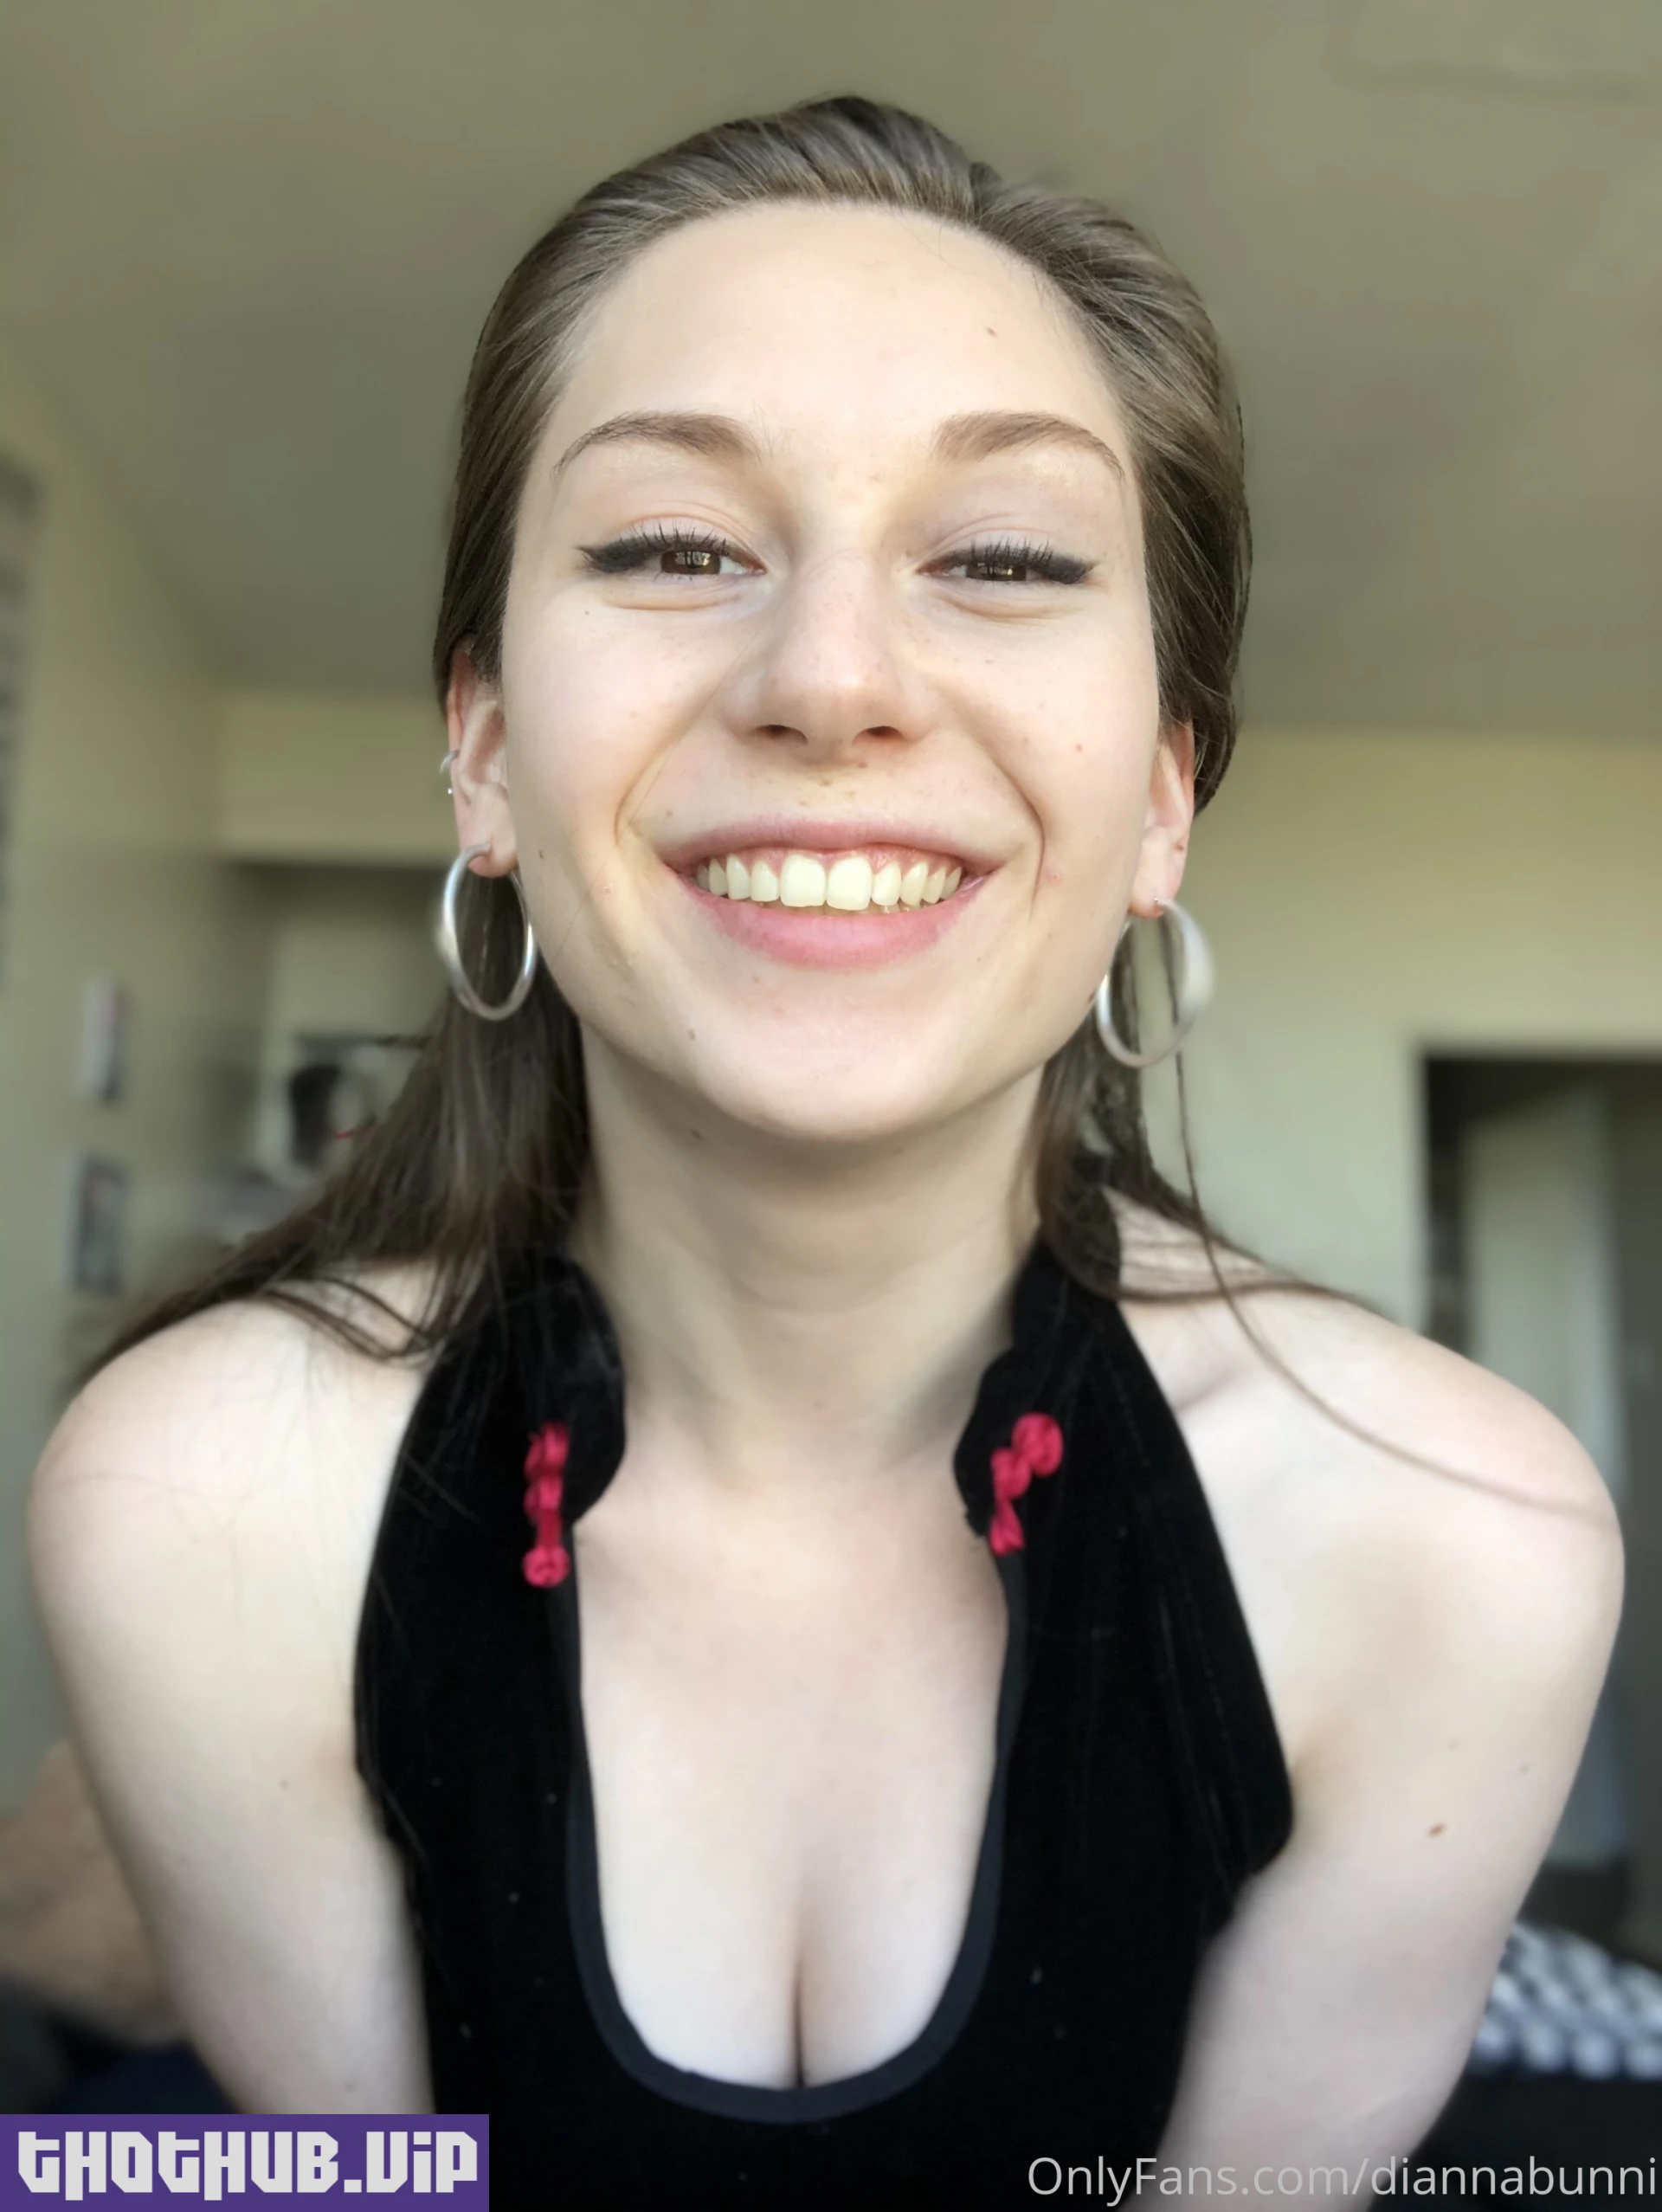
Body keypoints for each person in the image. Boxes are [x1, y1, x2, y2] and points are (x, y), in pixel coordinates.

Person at [27, 97, 1620, 2204]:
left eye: (1007, 559)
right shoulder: (201, 1501)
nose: (833, 677)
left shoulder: (1460, 1541)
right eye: (675, 546)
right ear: (485, 750)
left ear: (1162, 797)